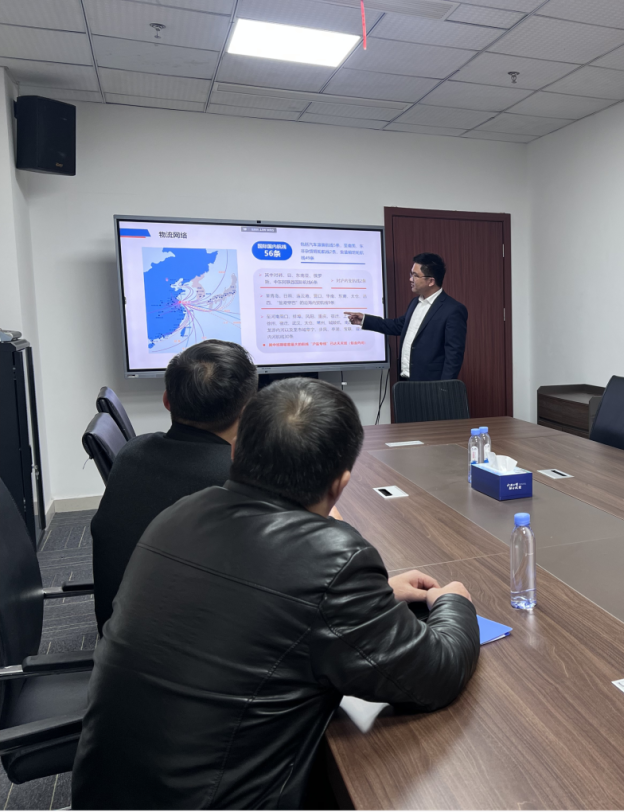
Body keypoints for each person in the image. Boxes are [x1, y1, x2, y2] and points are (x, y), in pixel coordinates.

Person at [73, 378, 480, 810]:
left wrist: (374, 595)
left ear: (234, 452)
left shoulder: (179, 513)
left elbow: (258, 599)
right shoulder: (332, 561)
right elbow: (435, 673)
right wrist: (454, 601)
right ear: (340, 485)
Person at [89, 339, 258, 636]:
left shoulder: (131, 452)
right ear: (249, 411)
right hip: (194, 649)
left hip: (119, 634)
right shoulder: (243, 480)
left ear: (167, 400)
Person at [345, 252, 467, 380]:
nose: (410, 279)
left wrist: (445, 387)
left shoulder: (452, 310)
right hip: (406, 381)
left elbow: (454, 355)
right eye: (411, 274)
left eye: (415, 275)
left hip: (431, 384)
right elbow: (398, 326)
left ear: (431, 281)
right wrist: (364, 320)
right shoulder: (415, 303)